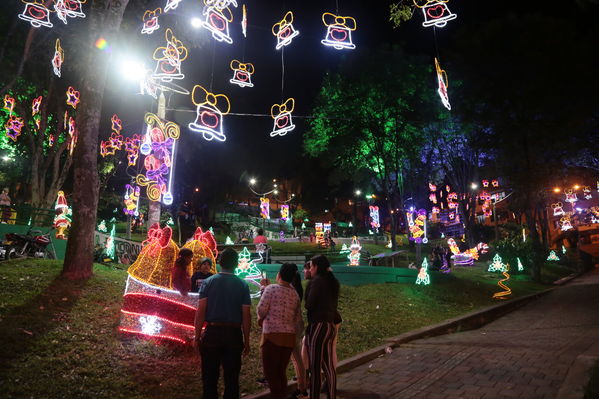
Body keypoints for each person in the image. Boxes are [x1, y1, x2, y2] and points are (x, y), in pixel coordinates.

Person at [195, 248, 252, 399]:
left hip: (212, 333)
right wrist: (247, 340)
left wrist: (196, 336)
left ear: (219, 262)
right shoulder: (243, 285)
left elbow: (200, 312)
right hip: (233, 335)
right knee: (232, 379)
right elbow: (246, 316)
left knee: (209, 379)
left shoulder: (208, 283)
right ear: (236, 264)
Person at [257, 263, 302, 399]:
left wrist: (263, 291)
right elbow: (297, 317)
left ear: (279, 274)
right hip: (288, 338)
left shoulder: (270, 289)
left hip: (272, 337)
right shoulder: (295, 294)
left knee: (271, 374)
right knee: (281, 372)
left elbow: (261, 309)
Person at [304, 255, 340, 399]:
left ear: (317, 267)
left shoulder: (317, 281)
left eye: (311, 266)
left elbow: (309, 304)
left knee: (315, 367)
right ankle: (331, 395)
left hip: (318, 326)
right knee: (328, 366)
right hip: (330, 325)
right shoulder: (332, 281)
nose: (310, 269)